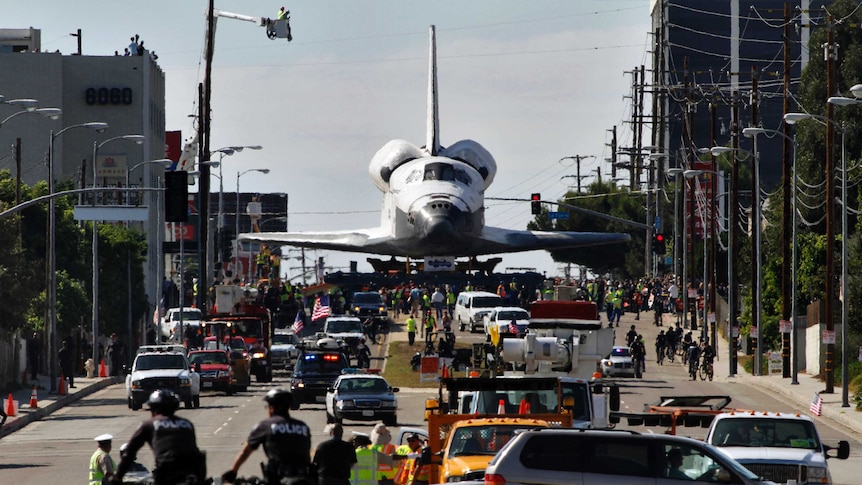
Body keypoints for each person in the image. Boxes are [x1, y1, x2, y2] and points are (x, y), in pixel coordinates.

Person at [112, 390, 204, 485]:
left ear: (153, 409)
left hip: (165, 474)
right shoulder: (187, 424)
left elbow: (129, 453)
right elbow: (195, 452)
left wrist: (117, 477)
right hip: (191, 473)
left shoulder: (148, 424)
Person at [222, 389, 311, 484]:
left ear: (271, 408)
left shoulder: (265, 426)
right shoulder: (303, 426)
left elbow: (245, 452)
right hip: (306, 478)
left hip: (279, 479)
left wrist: (233, 471)